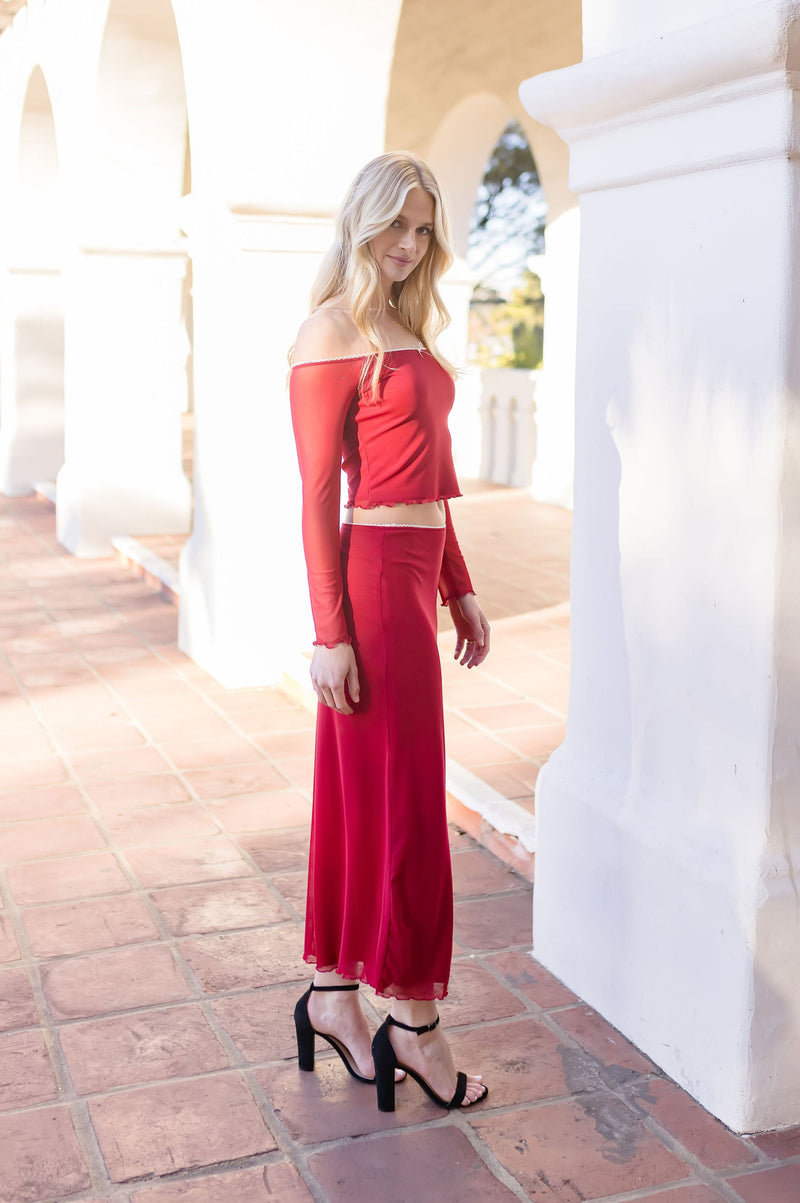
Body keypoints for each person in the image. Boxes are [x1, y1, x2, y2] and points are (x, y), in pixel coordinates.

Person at [289, 151, 491, 1112]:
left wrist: (459, 587)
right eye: (396, 227)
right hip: (368, 587)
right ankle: (413, 1019)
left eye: (424, 229)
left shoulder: (406, 325)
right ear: (360, 224)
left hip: (415, 579)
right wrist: (330, 630)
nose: (411, 245)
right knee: (404, 799)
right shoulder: (330, 332)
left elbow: (429, 478)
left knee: (371, 791)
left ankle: (334, 992)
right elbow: (317, 494)